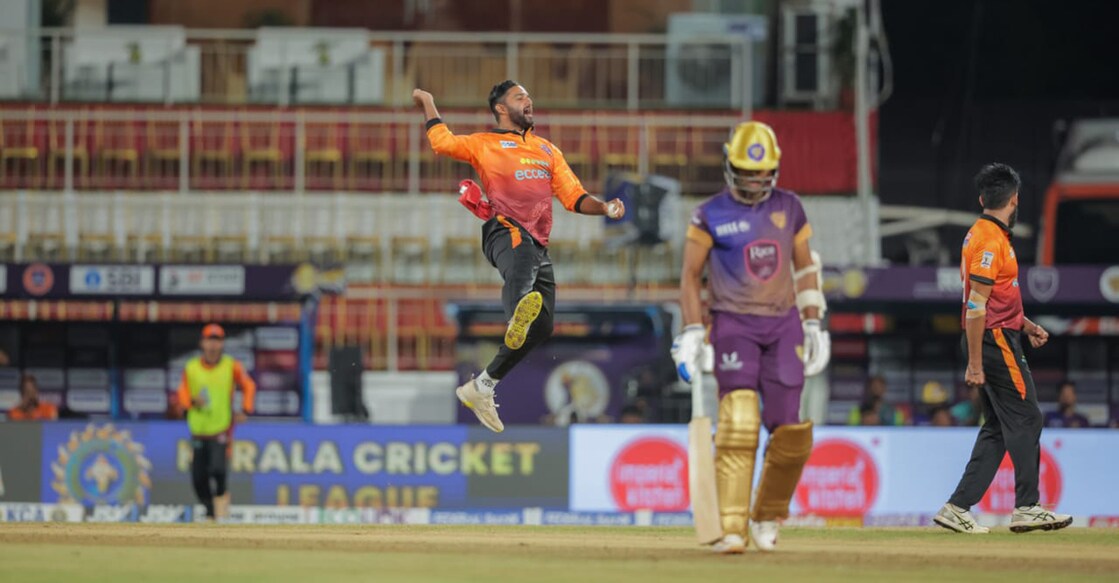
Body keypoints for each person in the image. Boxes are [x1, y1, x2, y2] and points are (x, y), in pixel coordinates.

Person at [413, 81, 625, 433]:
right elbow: (441, 141)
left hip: (538, 242)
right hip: (504, 229)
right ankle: (516, 314)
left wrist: (604, 207)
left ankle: (482, 386)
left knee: (543, 326)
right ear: (500, 108)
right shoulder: (484, 143)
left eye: (529, 96)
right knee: (523, 270)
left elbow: (573, 196)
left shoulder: (547, 151)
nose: (528, 101)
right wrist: (428, 102)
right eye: (519, 97)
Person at [672, 121, 829, 553]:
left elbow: (806, 266)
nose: (756, 180)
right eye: (747, 171)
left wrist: (813, 320)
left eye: (763, 173)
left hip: (784, 326)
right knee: (739, 420)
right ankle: (730, 528)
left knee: (790, 434)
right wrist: (690, 330)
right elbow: (689, 275)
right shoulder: (708, 213)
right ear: (730, 165)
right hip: (733, 324)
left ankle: (766, 515)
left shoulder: (791, 207)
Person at [934, 163, 1072, 534]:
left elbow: (993, 297)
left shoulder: (982, 234)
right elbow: (976, 305)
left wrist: (1025, 325)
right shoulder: (991, 241)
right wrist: (975, 363)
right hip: (993, 339)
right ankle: (1027, 506)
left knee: (999, 426)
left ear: (982, 199)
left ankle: (957, 507)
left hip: (999, 334)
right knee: (1028, 417)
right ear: (1014, 200)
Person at [176, 324, 256, 520]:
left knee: (218, 469)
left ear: (222, 344)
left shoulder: (231, 365)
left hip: (221, 428)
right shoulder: (192, 367)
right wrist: (190, 402)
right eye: (209, 340)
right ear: (202, 343)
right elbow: (182, 392)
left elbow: (249, 385)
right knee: (198, 478)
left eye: (217, 340)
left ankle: (221, 509)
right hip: (198, 429)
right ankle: (212, 513)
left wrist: (246, 408)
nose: (213, 345)